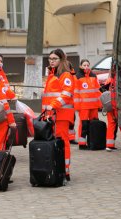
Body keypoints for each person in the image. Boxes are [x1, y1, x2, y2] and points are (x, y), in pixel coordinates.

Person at [43, 49, 75, 180]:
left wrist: (53, 105)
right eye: (50, 58)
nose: (51, 61)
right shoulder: (52, 74)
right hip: (52, 115)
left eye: (54, 59)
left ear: (61, 60)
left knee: (62, 142)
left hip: (61, 115)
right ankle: (58, 168)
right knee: (56, 143)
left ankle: (65, 171)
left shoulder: (65, 75)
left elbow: (66, 94)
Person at [74, 59, 101, 150]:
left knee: (93, 124)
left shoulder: (94, 76)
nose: (86, 67)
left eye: (87, 65)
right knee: (83, 124)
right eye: (84, 65)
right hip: (83, 106)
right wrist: (77, 106)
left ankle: (92, 142)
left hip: (94, 106)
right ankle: (82, 143)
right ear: (80, 66)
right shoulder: (77, 77)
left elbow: (97, 91)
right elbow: (76, 93)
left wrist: (99, 104)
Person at [101, 73, 121, 151]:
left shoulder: (110, 78)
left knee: (112, 125)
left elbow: (104, 88)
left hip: (110, 105)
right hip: (119, 106)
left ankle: (109, 144)